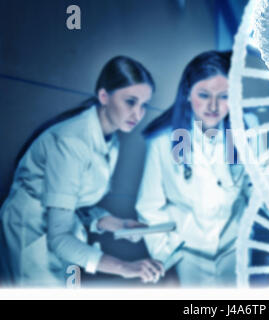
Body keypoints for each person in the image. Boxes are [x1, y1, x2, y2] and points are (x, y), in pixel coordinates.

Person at [0, 56, 164, 287]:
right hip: (32, 235)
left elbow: (76, 202)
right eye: (130, 102)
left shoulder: (110, 139)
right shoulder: (72, 142)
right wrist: (125, 267)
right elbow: (59, 238)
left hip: (59, 235)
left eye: (144, 105)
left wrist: (117, 224)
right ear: (104, 96)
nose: (138, 114)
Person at [136, 50, 256, 288]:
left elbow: (259, 192)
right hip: (185, 255)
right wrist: (167, 256)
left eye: (223, 96)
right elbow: (149, 207)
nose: (213, 106)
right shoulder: (162, 141)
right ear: (187, 93)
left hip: (233, 252)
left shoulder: (250, 131)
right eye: (204, 95)